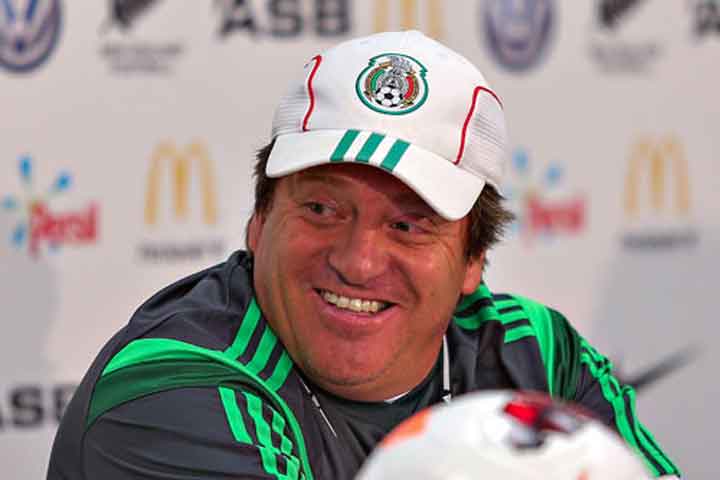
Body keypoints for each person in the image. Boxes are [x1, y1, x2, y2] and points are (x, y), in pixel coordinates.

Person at [47, 31, 680, 480]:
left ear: (473, 261)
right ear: (259, 221)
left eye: (408, 225)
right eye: (322, 209)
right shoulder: (174, 385)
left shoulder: (536, 355)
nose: (359, 261)